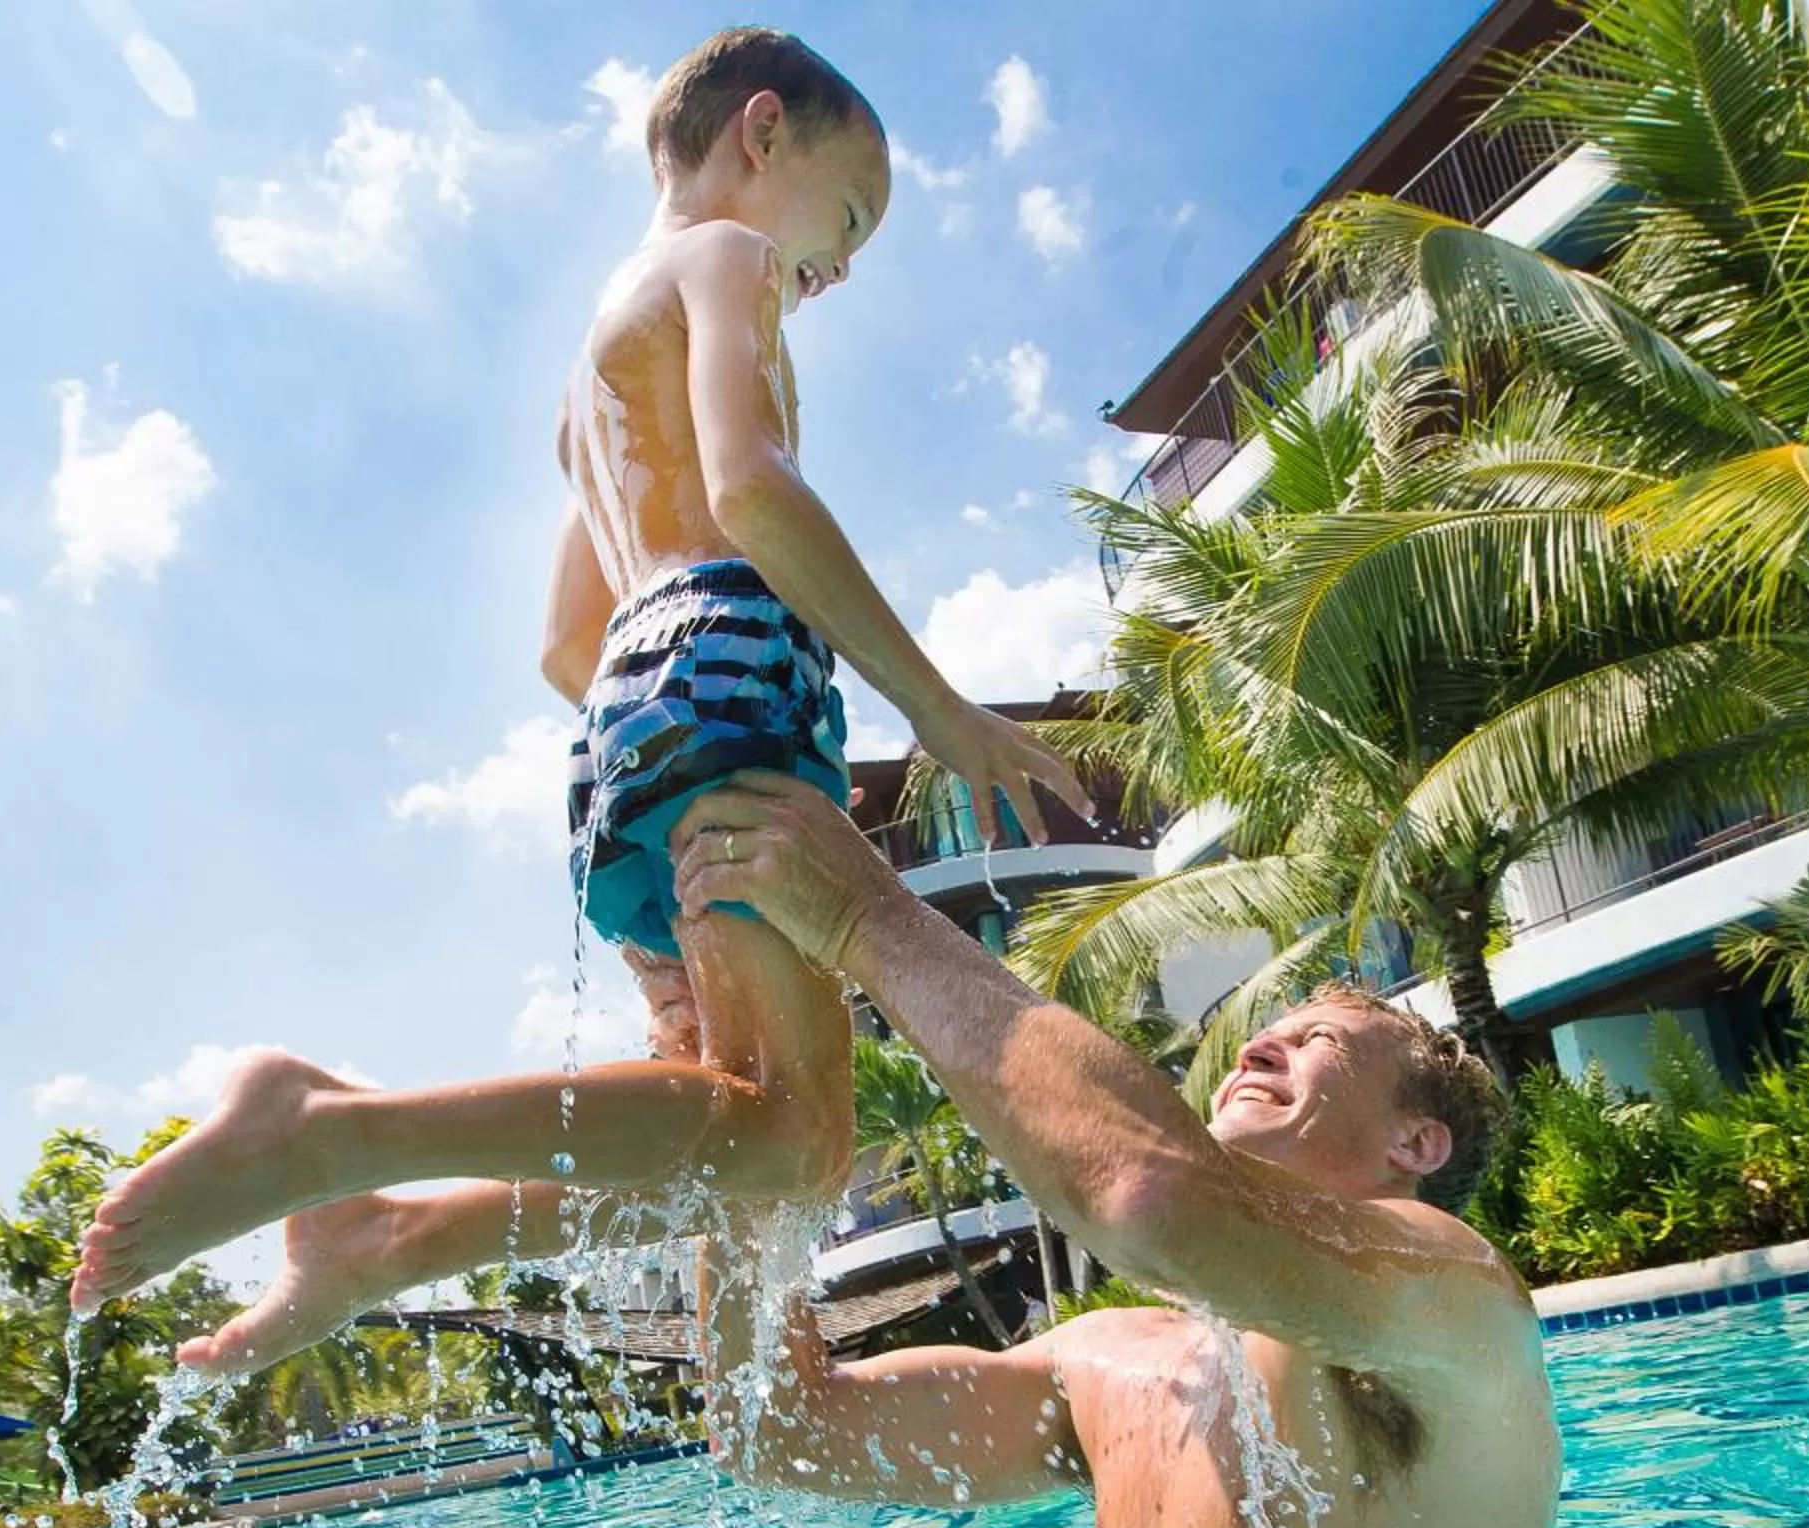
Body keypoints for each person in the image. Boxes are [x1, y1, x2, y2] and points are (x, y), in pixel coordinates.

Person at [64, 25, 1080, 1322]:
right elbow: (752, 491)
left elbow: (562, 644)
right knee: (795, 1142)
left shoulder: (587, 384)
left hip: (629, 723)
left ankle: (390, 1239)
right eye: (851, 213)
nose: (839, 265)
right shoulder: (728, 256)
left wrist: (666, 747)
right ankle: (330, 1135)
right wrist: (935, 707)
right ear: (760, 132)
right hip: (725, 668)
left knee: (733, 1144)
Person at [135, 777, 1562, 1528]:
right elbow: (783, 1433)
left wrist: (871, 917)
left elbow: (1156, 1198)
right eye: (1266, 1030)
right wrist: (740, 1161)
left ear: (1415, 1143)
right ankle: (394, 1231)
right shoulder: (1115, 1368)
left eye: (1318, 1041)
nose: (1262, 1045)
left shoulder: (1451, 1305)